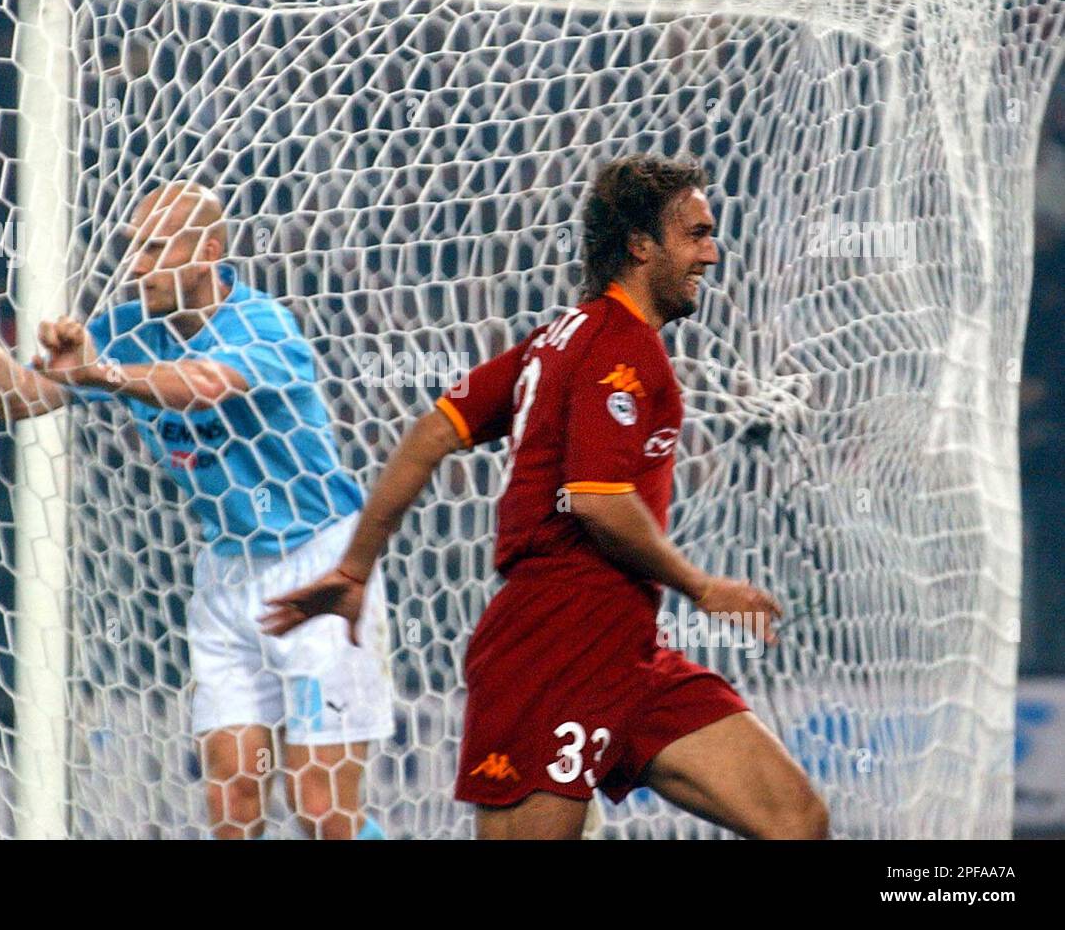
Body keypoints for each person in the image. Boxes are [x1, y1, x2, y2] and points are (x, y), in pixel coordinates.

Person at [261, 154, 830, 840]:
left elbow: (428, 435)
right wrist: (702, 586)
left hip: (629, 649)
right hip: (552, 645)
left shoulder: (554, 342)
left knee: (797, 819)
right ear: (640, 245)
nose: (712, 251)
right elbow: (596, 500)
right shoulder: (618, 345)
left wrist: (355, 567)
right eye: (697, 234)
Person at [0, 182, 394, 839]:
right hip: (228, 574)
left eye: (156, 248)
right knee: (234, 802)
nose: (136, 264)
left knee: (320, 808)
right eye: (134, 247)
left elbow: (205, 385)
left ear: (208, 253)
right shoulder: (128, 327)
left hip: (319, 566)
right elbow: (15, 398)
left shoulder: (263, 325)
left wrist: (101, 373)